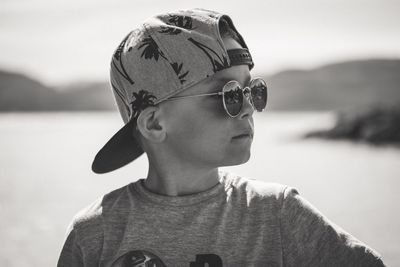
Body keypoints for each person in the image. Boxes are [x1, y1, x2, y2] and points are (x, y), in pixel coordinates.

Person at [57, 8, 385, 267]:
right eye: (227, 95)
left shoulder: (277, 215)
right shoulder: (95, 234)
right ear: (155, 123)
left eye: (252, 91)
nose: (248, 109)